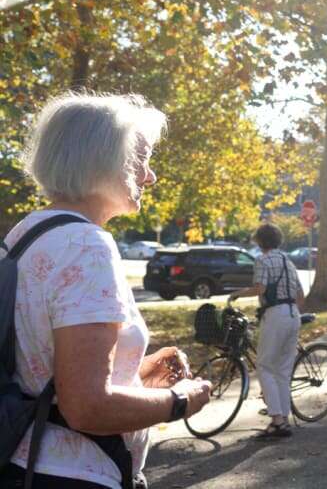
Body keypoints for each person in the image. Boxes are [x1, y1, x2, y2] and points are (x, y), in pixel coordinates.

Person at [2, 92, 211, 489]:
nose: (149, 176)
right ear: (100, 157)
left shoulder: (27, 234)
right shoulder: (87, 245)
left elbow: (41, 364)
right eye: (140, 158)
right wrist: (182, 400)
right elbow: (86, 406)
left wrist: (137, 370)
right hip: (72, 473)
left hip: (25, 461)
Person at [227, 223, 305, 438]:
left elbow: (260, 288)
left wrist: (237, 294)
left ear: (259, 241)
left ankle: (277, 420)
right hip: (293, 314)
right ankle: (283, 418)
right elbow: (300, 294)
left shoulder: (263, 259)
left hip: (276, 314)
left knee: (265, 365)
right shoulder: (288, 260)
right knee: (283, 369)